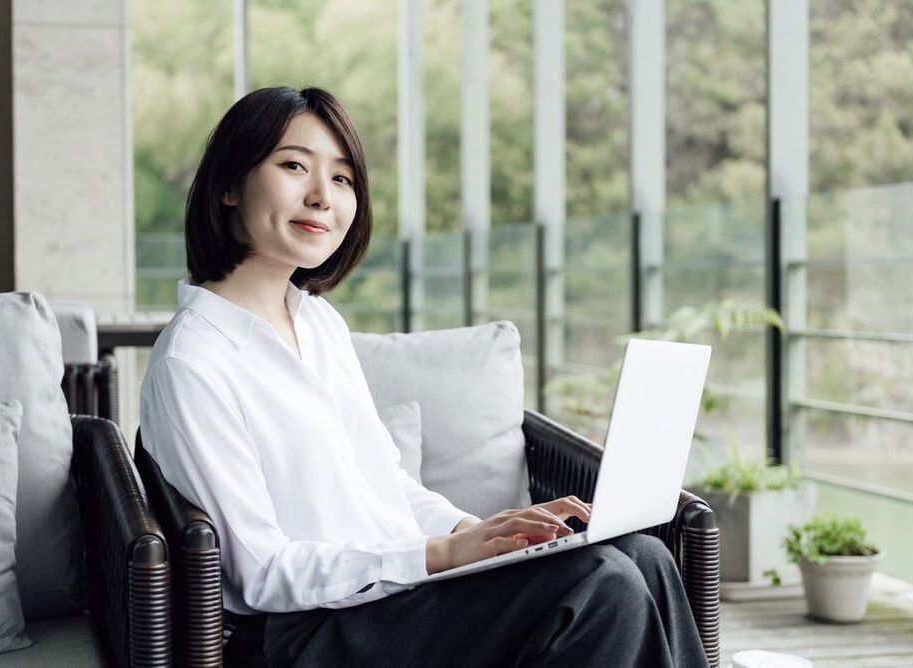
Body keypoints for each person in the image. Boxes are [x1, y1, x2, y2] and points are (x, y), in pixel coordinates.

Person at [139, 86, 709, 667]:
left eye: (342, 180)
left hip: (391, 596)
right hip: (303, 633)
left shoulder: (317, 324)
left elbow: (385, 485)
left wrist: (487, 532)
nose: (322, 197)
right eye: (293, 166)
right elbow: (258, 573)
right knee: (602, 582)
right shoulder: (194, 363)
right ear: (229, 186)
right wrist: (444, 554)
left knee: (644, 556)